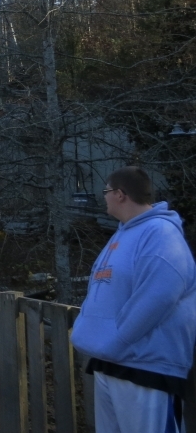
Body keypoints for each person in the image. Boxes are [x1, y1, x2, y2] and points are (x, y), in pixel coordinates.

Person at [71, 166, 196, 433]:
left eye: (105, 191)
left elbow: (160, 295)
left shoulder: (161, 233)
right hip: (109, 364)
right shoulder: (123, 233)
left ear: (119, 194)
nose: (103, 197)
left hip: (146, 370)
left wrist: (116, 342)